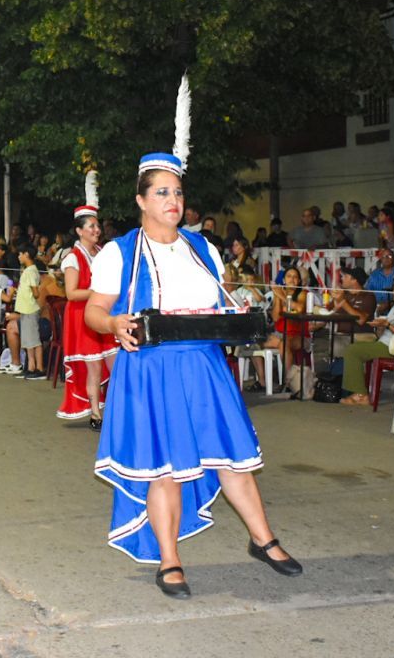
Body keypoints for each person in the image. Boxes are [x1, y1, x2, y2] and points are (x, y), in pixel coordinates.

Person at [86, 127, 300, 598]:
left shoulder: (204, 249)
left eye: (178, 192)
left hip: (204, 366)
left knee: (232, 458)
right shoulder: (120, 253)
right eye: (162, 192)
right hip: (152, 371)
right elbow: (93, 312)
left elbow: (218, 306)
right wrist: (115, 323)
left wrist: (241, 314)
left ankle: (264, 540)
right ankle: (169, 561)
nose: (173, 200)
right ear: (141, 200)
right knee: (165, 467)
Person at [58, 200, 117, 427]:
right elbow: (71, 293)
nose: (97, 230)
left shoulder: (103, 252)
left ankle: (116, 409)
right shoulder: (72, 257)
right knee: (95, 367)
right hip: (82, 317)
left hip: (104, 312)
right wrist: (98, 292)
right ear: (79, 230)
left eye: (97, 226)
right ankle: (95, 414)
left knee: (116, 364)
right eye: (91, 226)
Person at [339, 278, 394, 406]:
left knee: (353, 351)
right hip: (383, 342)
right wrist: (380, 326)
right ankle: (359, 391)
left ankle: (361, 395)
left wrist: (387, 324)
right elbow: (384, 332)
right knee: (353, 347)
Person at [3, 247, 46, 379]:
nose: (18, 257)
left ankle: (39, 368)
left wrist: (30, 293)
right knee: (28, 341)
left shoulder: (30, 271)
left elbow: (36, 292)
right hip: (26, 310)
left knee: (34, 341)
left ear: (26, 254)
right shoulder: (29, 270)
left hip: (30, 310)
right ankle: (31, 367)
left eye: (20, 254)